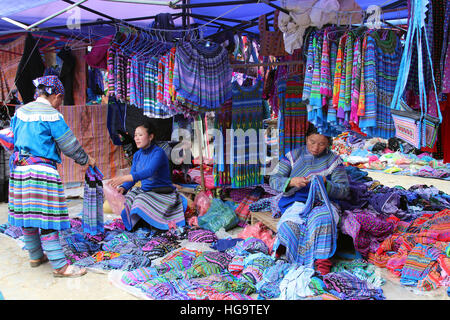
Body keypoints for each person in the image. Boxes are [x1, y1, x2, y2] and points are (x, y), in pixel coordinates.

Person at [8, 75, 96, 277]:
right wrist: (86, 159)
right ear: (56, 96)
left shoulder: (20, 112)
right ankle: (60, 267)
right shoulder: (52, 115)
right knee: (48, 220)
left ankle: (35, 256)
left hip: (20, 170)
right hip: (42, 172)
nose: (59, 105)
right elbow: (68, 144)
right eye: (60, 100)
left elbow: (13, 139)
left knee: (28, 216)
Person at [269, 123, 350, 273]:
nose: (315, 147)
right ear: (306, 138)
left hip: (324, 203)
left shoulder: (334, 161)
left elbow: (344, 190)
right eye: (312, 142)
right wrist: (291, 182)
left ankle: (321, 264)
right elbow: (274, 179)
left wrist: (326, 184)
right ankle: (288, 257)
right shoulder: (293, 156)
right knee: (290, 226)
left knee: (322, 220)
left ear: (328, 144)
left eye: (322, 144)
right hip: (296, 202)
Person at [109, 121, 187, 231]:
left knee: (140, 200)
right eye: (135, 135)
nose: (136, 138)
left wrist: (123, 178)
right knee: (129, 198)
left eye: (140, 135)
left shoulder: (158, 153)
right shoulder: (137, 155)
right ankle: (137, 225)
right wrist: (123, 187)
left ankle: (156, 224)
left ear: (150, 137)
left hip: (162, 192)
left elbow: (148, 172)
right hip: (146, 191)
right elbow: (133, 177)